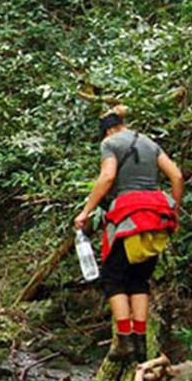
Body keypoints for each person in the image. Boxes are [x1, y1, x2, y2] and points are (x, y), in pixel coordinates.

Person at [74, 105, 184, 363]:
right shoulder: (149, 143)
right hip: (157, 218)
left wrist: (85, 211)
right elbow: (177, 176)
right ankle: (140, 343)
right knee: (138, 280)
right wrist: (174, 208)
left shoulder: (111, 143)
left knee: (113, 278)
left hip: (128, 218)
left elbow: (107, 177)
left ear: (108, 129)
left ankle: (124, 341)